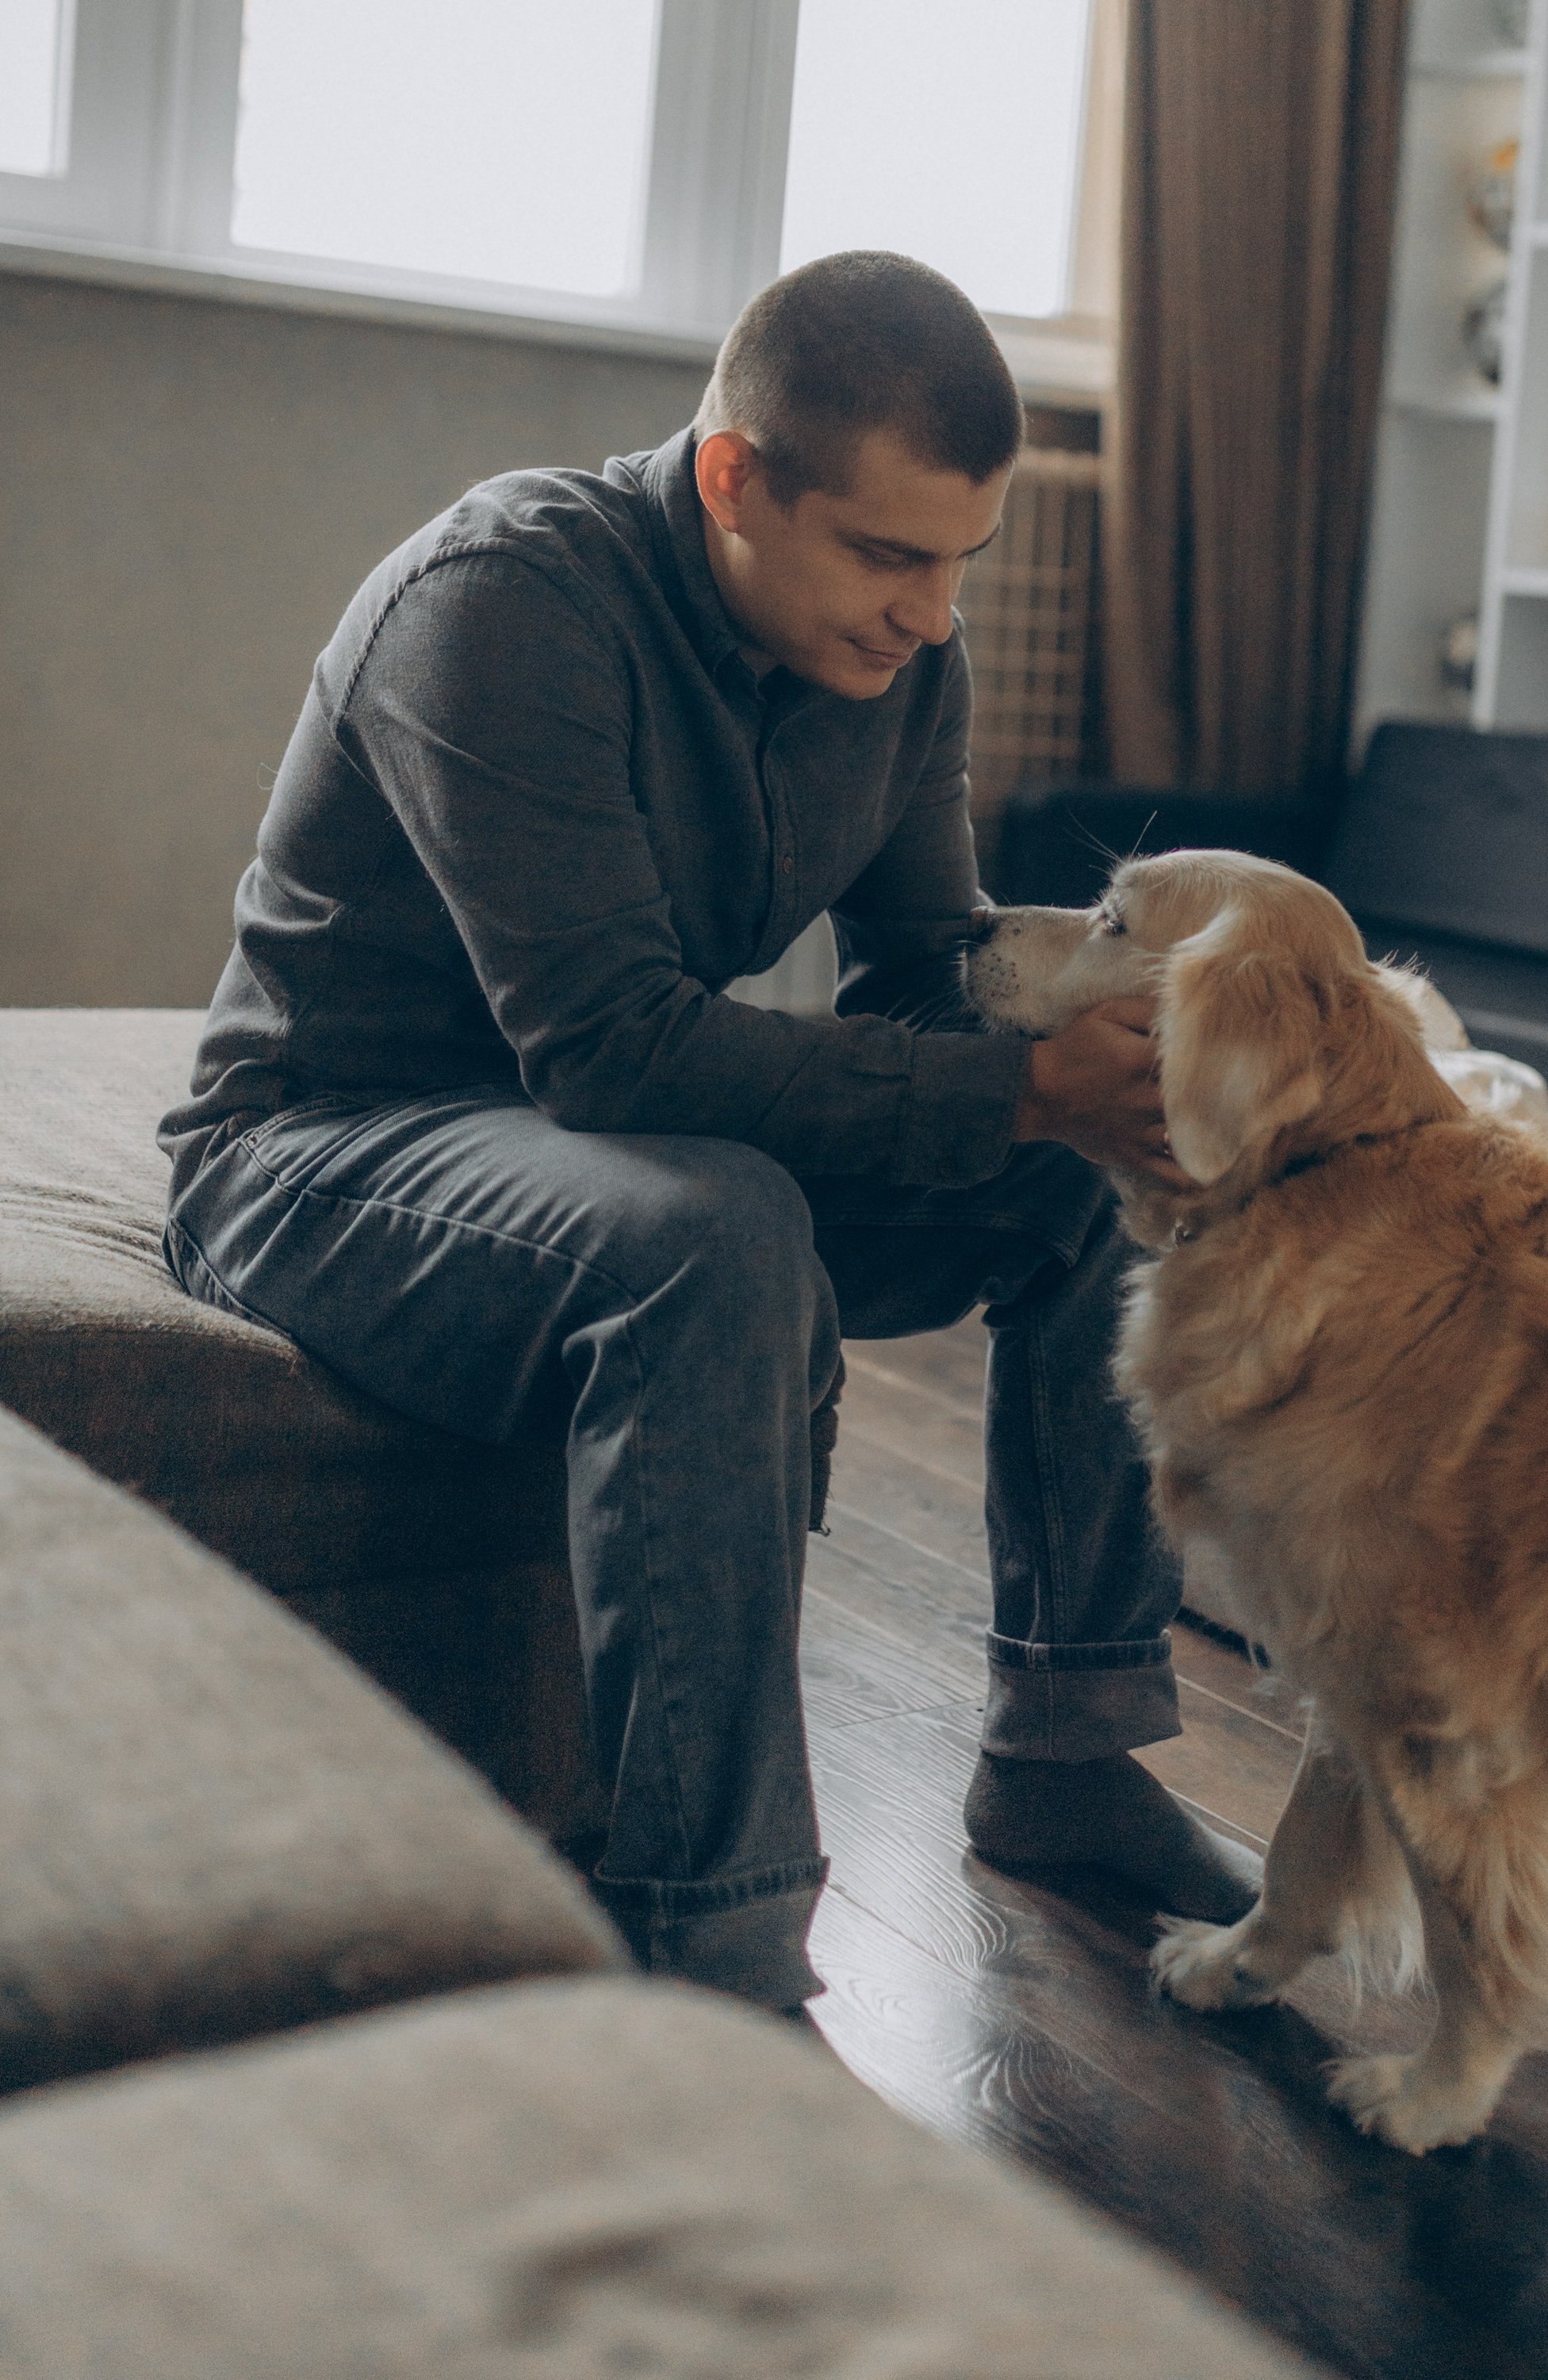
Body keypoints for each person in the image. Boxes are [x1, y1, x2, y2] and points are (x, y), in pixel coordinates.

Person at [160, 248, 1257, 2013]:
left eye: (959, 563)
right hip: (325, 1152)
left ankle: (1065, 1750)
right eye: (889, 556)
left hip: (610, 1151)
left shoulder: (902, 658)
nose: (928, 614)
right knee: (715, 1230)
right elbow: (604, 1051)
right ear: (735, 476)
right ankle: (712, 1928)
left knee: (1074, 1170)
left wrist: (1098, 1052)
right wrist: (1004, 1087)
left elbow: (922, 983)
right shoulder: (504, 600)